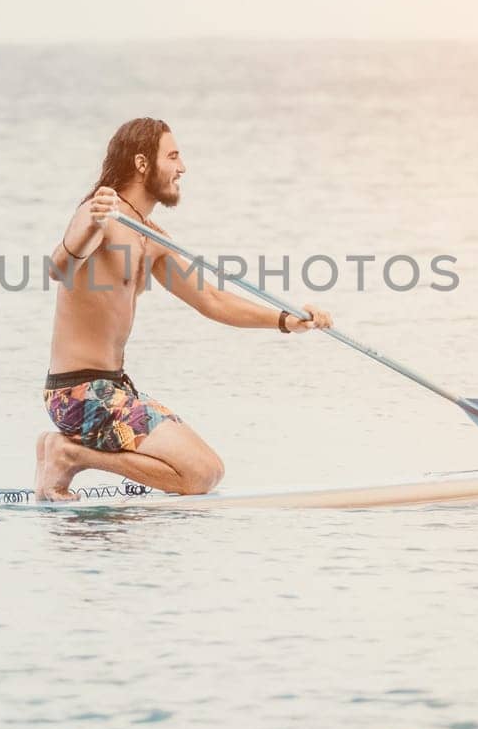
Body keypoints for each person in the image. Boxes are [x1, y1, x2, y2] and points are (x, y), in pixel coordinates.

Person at [35, 117, 334, 500]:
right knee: (202, 475)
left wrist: (285, 320)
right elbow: (59, 268)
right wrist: (90, 227)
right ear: (143, 164)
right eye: (173, 156)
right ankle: (69, 455)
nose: (182, 168)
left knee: (205, 473)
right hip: (79, 393)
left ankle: (66, 454)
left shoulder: (152, 236)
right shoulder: (100, 214)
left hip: (113, 390)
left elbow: (211, 299)